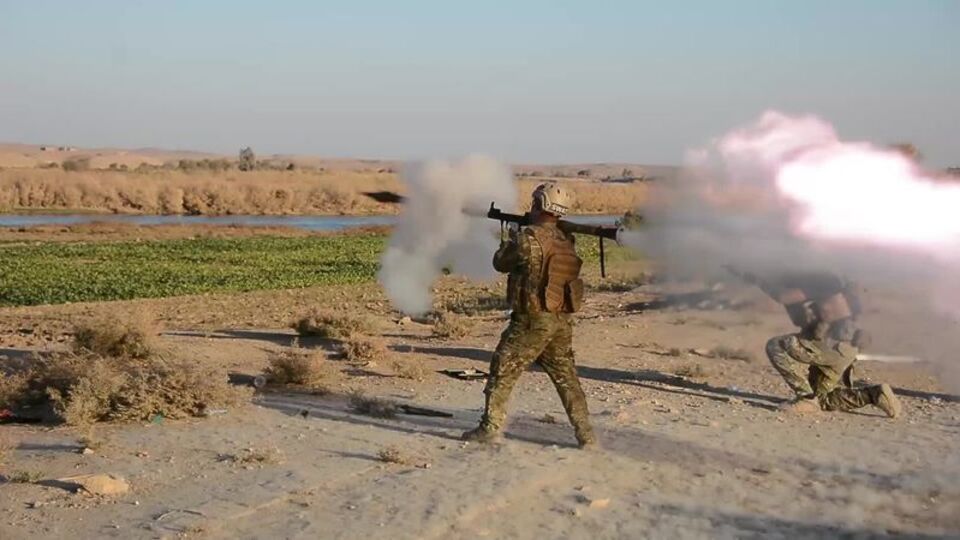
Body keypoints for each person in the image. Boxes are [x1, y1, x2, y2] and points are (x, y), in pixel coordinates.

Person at [461, 183, 596, 448]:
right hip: (560, 319)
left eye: (534, 202)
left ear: (539, 205)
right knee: (566, 377)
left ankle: (489, 428)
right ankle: (587, 435)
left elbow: (501, 263)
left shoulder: (527, 239)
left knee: (503, 368)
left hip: (532, 318)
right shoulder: (567, 240)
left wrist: (511, 235)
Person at [730, 267, 902, 418]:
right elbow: (801, 317)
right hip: (839, 348)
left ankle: (805, 399)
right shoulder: (829, 282)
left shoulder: (822, 279)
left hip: (833, 346)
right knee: (825, 399)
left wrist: (758, 279)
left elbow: (783, 297)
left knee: (777, 345)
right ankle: (874, 394)